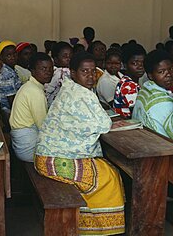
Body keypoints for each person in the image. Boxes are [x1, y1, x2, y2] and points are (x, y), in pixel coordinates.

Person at [35, 52, 125, 235]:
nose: (90, 76)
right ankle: (95, 228)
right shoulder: (82, 93)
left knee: (107, 169)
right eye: (85, 71)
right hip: (54, 160)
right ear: (73, 72)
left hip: (48, 155)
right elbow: (105, 124)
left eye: (93, 72)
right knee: (108, 177)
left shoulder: (70, 88)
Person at [9, 52, 53, 162]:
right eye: (43, 69)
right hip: (28, 148)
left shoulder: (29, 86)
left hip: (21, 143)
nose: (48, 72)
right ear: (32, 71)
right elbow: (43, 127)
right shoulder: (35, 92)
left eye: (50, 69)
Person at [132, 50, 173, 140]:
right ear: (150, 76)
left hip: (143, 140)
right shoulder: (164, 103)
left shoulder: (145, 89)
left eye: (171, 69)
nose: (169, 75)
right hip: (162, 147)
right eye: (161, 72)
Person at [113, 43, 146, 118]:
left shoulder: (126, 80)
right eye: (134, 63)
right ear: (124, 65)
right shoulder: (129, 86)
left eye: (143, 63)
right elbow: (138, 114)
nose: (140, 67)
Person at [0, 40, 22, 122]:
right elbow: (11, 99)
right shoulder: (6, 74)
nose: (13, 57)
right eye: (8, 55)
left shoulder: (11, 70)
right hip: (9, 112)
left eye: (14, 54)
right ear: (1, 57)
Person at [44, 41, 73, 107]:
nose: (69, 59)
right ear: (56, 59)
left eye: (71, 56)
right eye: (65, 56)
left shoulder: (52, 70)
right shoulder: (60, 72)